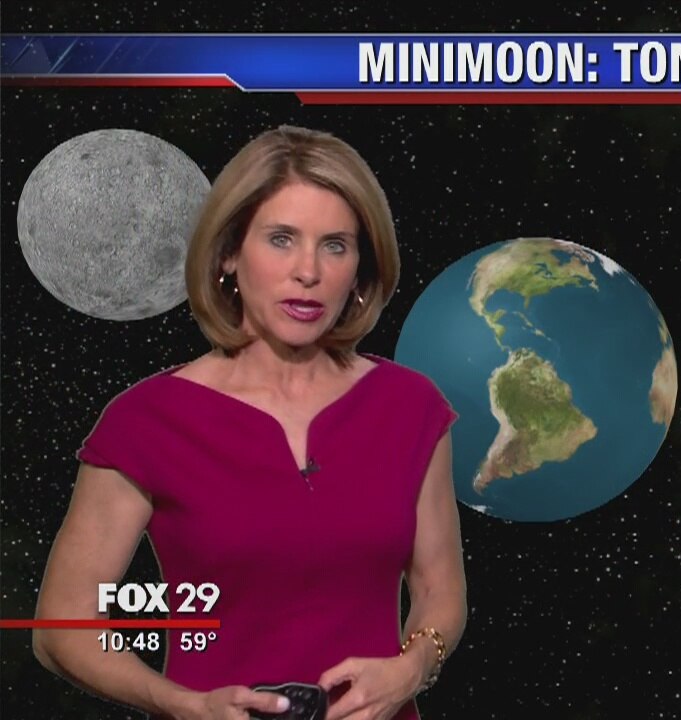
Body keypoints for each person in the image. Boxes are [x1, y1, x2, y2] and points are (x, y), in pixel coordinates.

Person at [32, 125, 466, 720]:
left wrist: (412, 668)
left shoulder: (410, 406)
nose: (308, 271)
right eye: (282, 239)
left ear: (360, 267)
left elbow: (440, 589)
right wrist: (182, 704)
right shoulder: (146, 421)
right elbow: (62, 626)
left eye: (335, 245)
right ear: (229, 253)